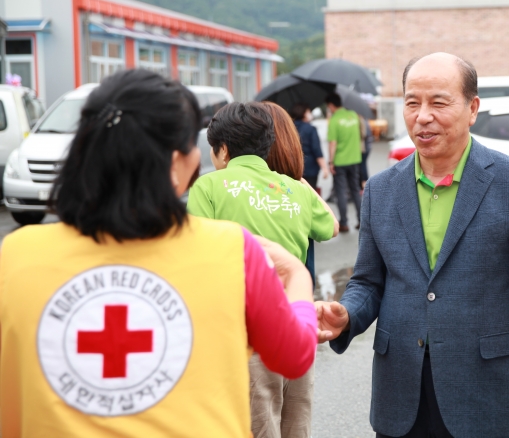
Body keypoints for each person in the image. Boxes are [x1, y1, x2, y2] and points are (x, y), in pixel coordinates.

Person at [0, 70, 317, 437]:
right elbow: (293, 356)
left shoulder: (17, 255)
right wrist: (297, 277)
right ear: (177, 162)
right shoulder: (232, 250)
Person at [315, 53, 509, 438]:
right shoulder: (381, 190)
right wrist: (345, 314)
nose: (422, 116)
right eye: (412, 103)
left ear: (472, 108)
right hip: (400, 392)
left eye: (439, 102)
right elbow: (368, 282)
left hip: (487, 392)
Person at [187, 101, 338, 438]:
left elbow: (197, 255)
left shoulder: (208, 187)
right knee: (296, 422)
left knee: (258, 423)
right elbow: (331, 227)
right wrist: (300, 184)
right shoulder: (296, 188)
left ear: (222, 150)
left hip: (246, 332)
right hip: (297, 325)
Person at [289, 102, 330, 282]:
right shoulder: (310, 129)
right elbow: (317, 150)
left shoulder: (288, 128)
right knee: (309, 198)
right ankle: (309, 226)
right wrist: (325, 168)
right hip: (310, 169)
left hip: (290, 170)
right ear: (304, 112)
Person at [325, 92, 362, 233]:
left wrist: (331, 162)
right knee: (355, 190)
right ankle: (361, 220)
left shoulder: (334, 120)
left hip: (340, 161)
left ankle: (344, 223)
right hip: (355, 159)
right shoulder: (353, 115)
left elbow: (332, 143)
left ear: (331, 105)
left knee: (340, 192)